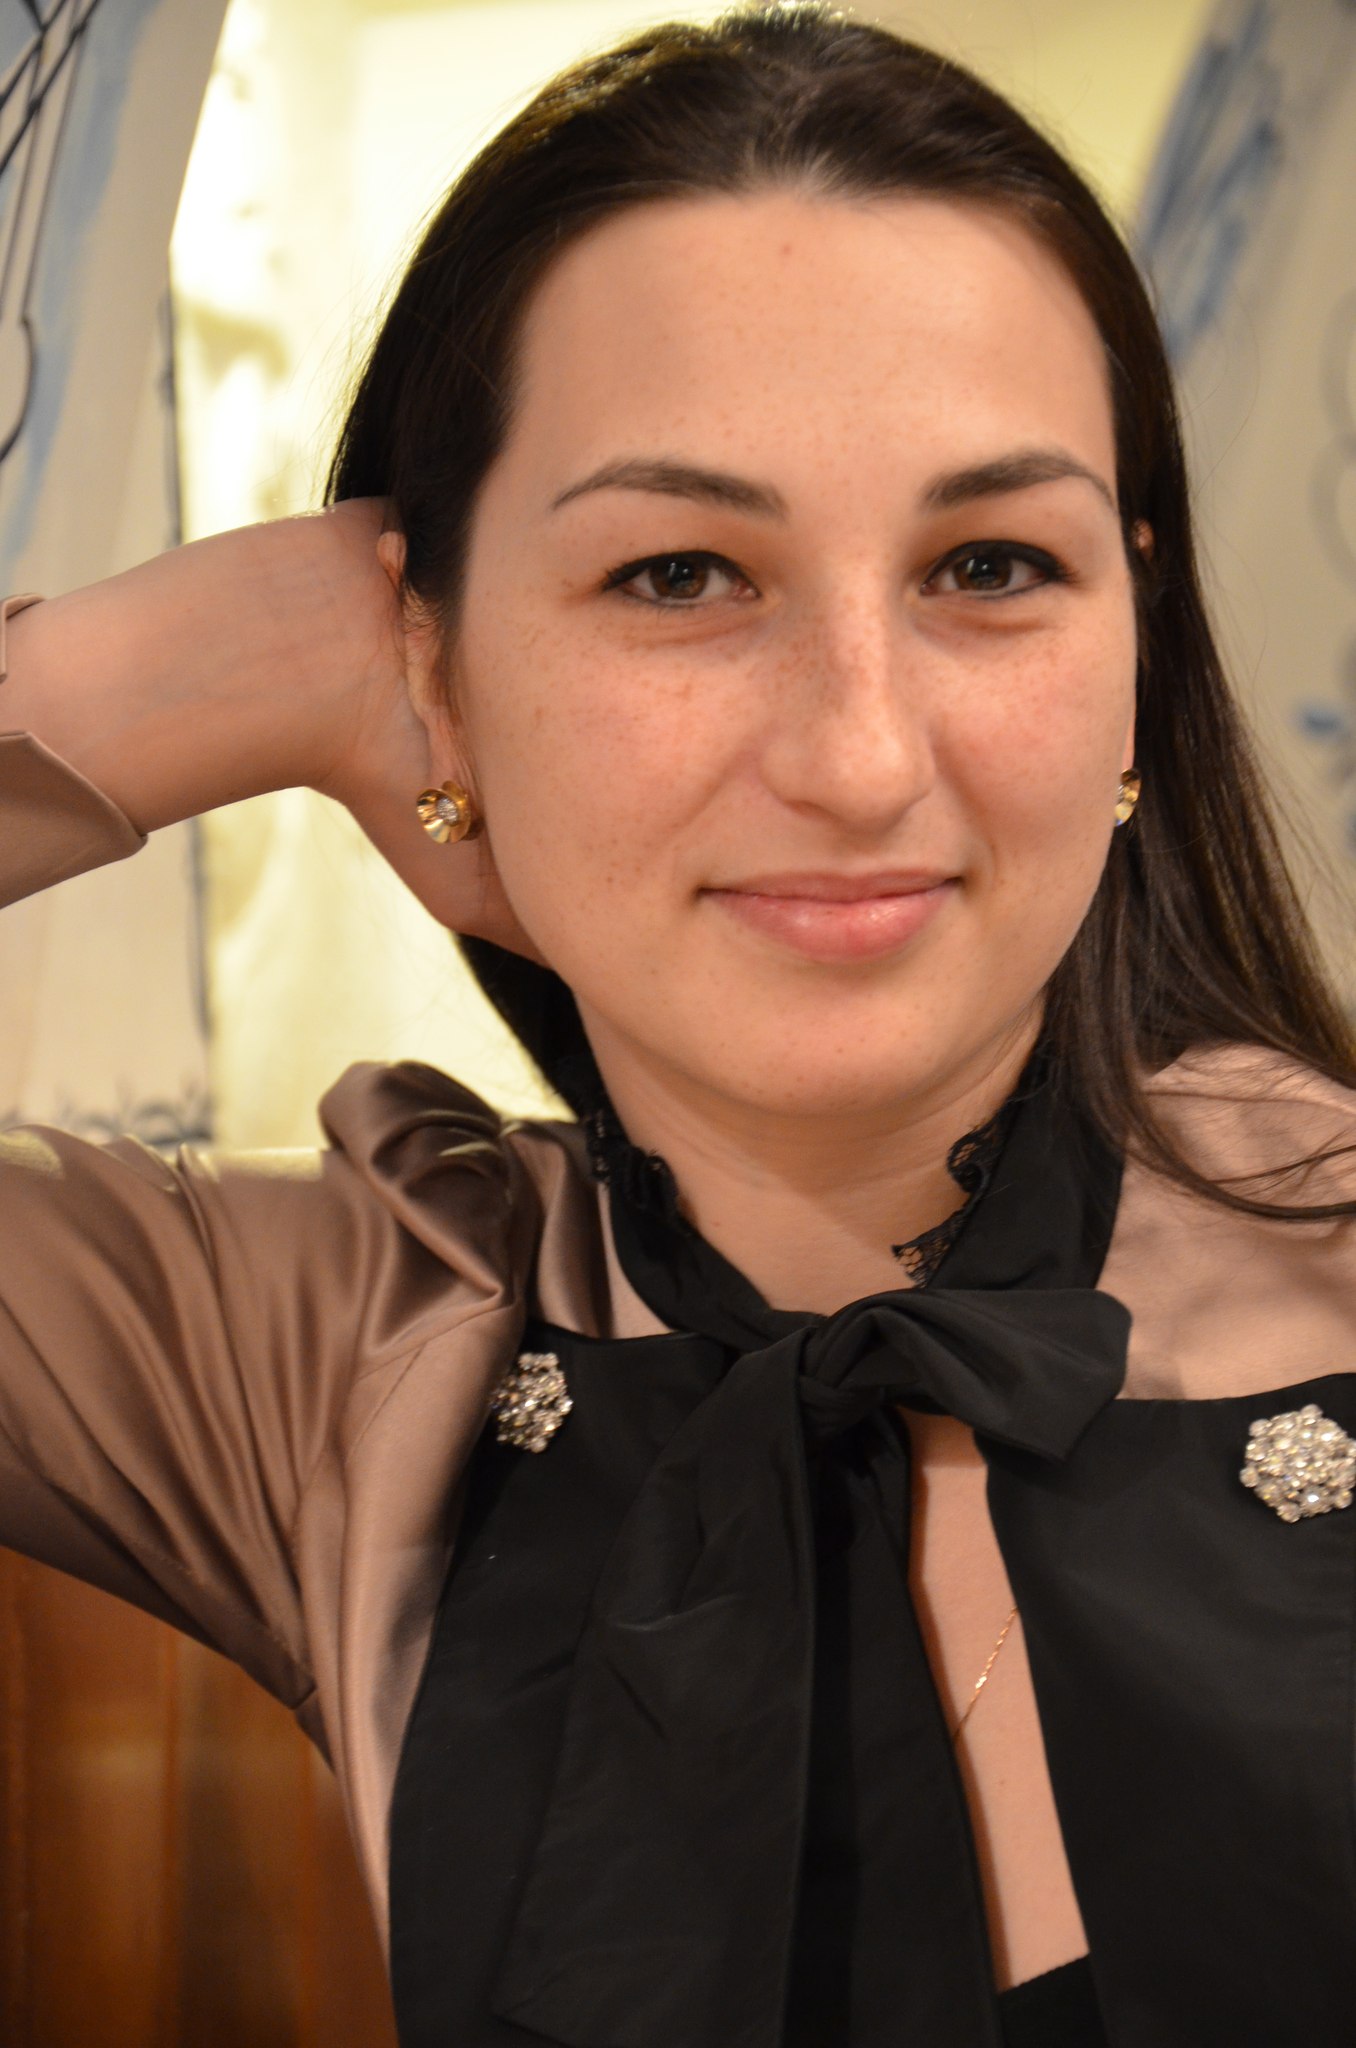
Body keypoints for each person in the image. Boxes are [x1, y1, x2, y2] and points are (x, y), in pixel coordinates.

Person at [3, 4, 1355, 2042]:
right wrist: (202, 663)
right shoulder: (333, 1359)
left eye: (992, 564)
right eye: (678, 576)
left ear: (1138, 649)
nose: (858, 754)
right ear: (434, 668)